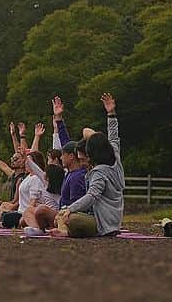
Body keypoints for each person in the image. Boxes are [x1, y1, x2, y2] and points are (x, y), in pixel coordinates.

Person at [52, 93, 125, 238]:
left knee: (70, 218)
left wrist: (70, 209)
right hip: (114, 220)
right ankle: (65, 228)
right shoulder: (115, 159)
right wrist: (111, 114)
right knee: (65, 215)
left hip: (103, 224)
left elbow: (91, 196)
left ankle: (66, 232)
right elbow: (113, 137)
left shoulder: (99, 172)